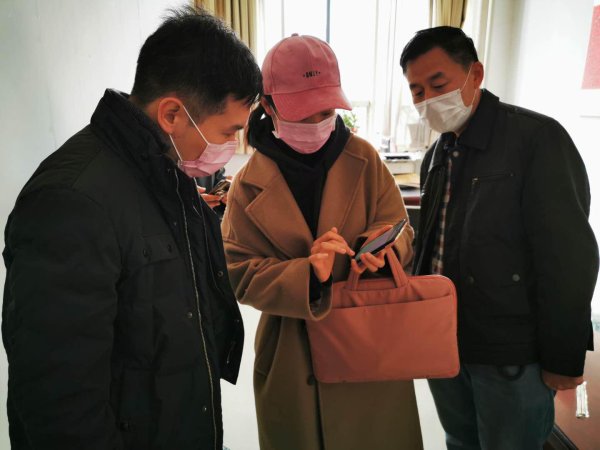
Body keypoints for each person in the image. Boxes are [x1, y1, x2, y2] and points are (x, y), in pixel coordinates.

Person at [2, 6, 261, 449]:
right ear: (172, 114)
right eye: (227, 131)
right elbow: (60, 403)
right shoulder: (71, 201)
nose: (230, 146)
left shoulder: (165, 173)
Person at [400, 26, 599, 449]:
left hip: (511, 352)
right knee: (460, 440)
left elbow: (569, 258)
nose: (428, 99)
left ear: (475, 74)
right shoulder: (437, 154)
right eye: (417, 91)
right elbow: (434, 246)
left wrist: (564, 357)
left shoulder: (536, 139)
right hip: (445, 342)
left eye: (438, 84)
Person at [221, 34, 423, 450]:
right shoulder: (247, 184)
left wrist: (384, 249)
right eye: (302, 113)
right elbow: (236, 271)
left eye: (326, 111)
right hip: (292, 354)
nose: (316, 124)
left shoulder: (365, 160)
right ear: (268, 106)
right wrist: (306, 275)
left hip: (368, 341)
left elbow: (402, 230)